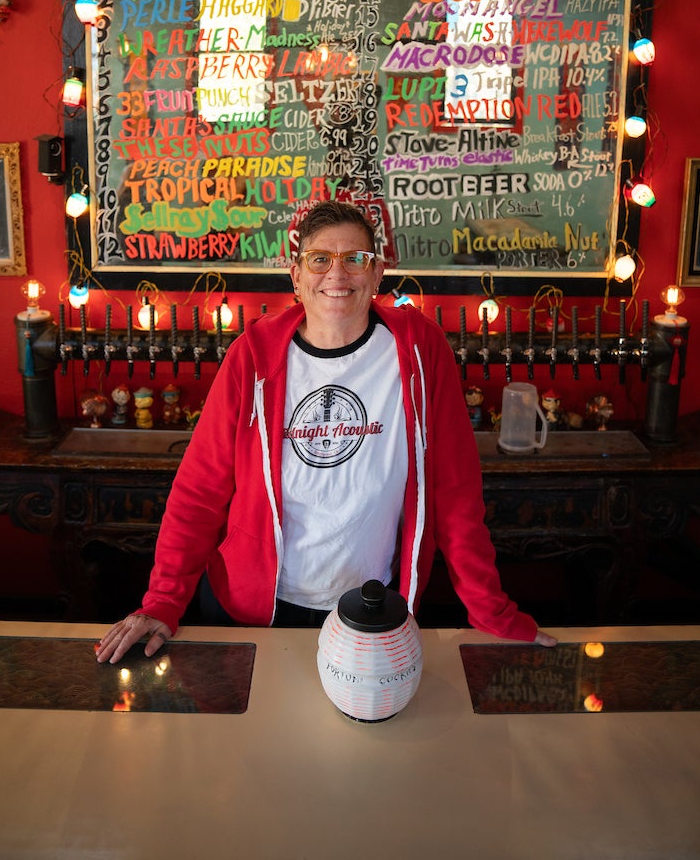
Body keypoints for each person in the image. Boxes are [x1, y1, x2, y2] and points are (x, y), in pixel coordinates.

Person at [97, 201, 556, 663]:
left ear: (377, 273)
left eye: (354, 258)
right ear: (295, 276)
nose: (337, 274)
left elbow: (455, 491)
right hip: (254, 609)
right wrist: (162, 602)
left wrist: (491, 611)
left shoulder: (419, 351)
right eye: (320, 259)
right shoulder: (252, 356)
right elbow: (199, 492)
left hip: (371, 607)